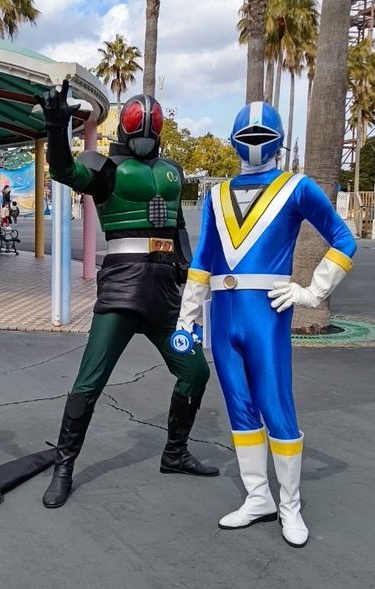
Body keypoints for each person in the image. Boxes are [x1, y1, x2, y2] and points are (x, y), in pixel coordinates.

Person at [176, 102, 356, 548]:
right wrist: (187, 316)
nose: (254, 142)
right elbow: (203, 259)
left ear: (276, 139)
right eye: (247, 135)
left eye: (261, 134)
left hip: (266, 313)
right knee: (239, 406)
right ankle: (259, 497)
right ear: (234, 139)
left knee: (276, 406)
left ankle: (290, 505)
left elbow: (343, 238)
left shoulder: (296, 187)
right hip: (223, 313)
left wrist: (312, 291)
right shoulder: (216, 195)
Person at [35, 81, 218, 509]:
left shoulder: (172, 171)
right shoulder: (107, 167)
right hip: (122, 291)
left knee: (195, 371)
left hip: (166, 294)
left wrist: (192, 275)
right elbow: (65, 172)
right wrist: (56, 128)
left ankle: (175, 452)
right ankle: (64, 467)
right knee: (89, 381)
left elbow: (177, 226)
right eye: (139, 124)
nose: (144, 133)